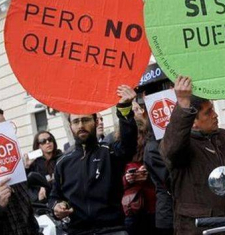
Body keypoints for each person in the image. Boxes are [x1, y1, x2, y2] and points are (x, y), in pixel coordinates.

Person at [160, 76, 225, 235]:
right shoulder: (180, 145)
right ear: (193, 122)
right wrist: (183, 105)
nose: (215, 115)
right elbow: (173, 148)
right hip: (199, 229)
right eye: (208, 112)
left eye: (212, 109)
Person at [49, 85, 138, 234]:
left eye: (85, 120)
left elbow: (128, 144)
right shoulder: (62, 163)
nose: (81, 125)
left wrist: (125, 109)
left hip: (112, 229)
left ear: (96, 122)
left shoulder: (109, 152)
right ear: (70, 127)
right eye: (76, 122)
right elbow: (54, 197)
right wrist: (56, 207)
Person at [0, 108, 40, 235]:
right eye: (2, 127)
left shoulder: (16, 171)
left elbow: (29, 218)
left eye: (8, 126)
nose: (9, 132)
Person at [122, 117, 157, 235]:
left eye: (137, 136)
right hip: (133, 212)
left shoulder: (151, 151)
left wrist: (149, 175)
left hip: (153, 209)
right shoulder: (122, 154)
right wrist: (127, 179)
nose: (136, 140)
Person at [25, 130, 63, 202]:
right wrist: (27, 166)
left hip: (62, 198)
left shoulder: (61, 158)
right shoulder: (34, 163)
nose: (48, 142)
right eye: (43, 141)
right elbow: (27, 186)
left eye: (50, 139)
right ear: (38, 145)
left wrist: (45, 186)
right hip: (45, 203)